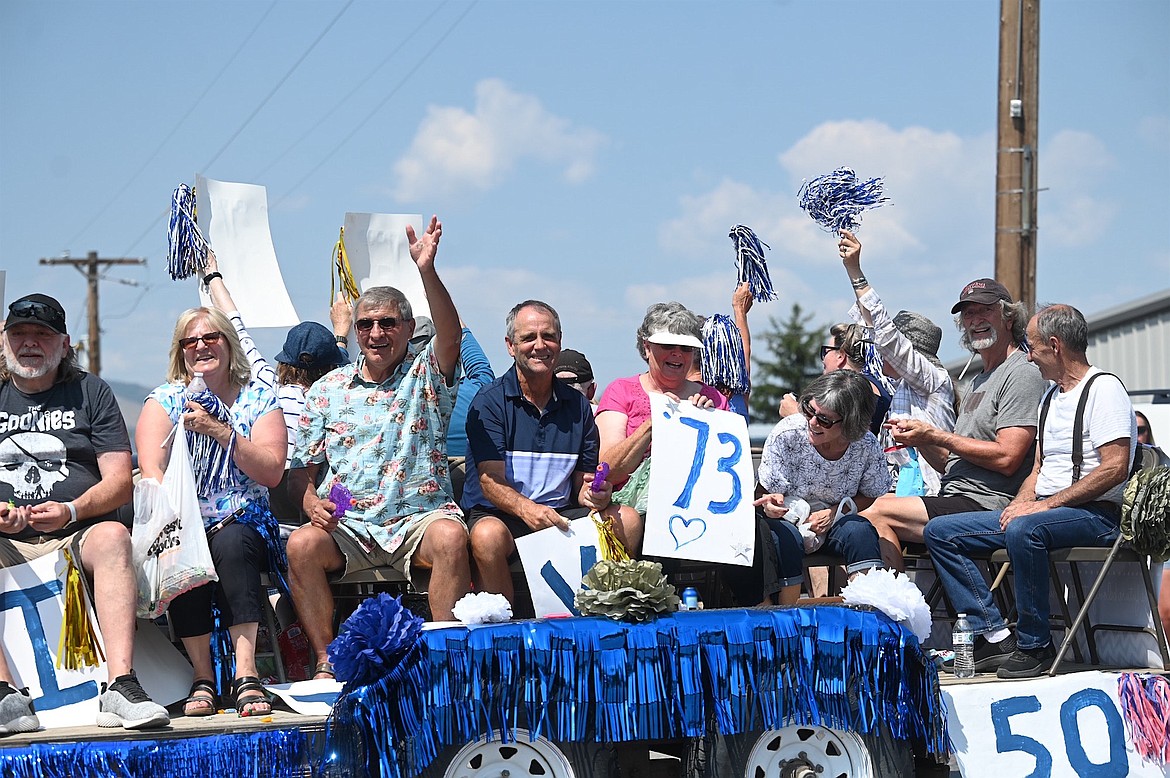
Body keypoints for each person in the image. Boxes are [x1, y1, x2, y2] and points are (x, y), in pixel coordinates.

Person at [286, 216, 470, 679]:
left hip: (417, 517)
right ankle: (329, 662)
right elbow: (301, 469)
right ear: (354, 332)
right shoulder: (326, 389)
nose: (375, 333)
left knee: (451, 537)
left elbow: (451, 336)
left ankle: (442, 660)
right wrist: (309, 499)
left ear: (408, 329)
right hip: (350, 526)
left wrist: (426, 271)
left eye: (388, 323)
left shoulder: (426, 373)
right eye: (365, 324)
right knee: (302, 545)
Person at [925, 304, 1137, 678]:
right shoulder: (1049, 398)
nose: (1028, 354)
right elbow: (1038, 468)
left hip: (1098, 515)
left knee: (1026, 529)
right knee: (942, 532)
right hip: (1051, 510)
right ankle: (992, 632)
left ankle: (1036, 645)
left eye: (1033, 346)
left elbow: (1115, 468)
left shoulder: (1104, 389)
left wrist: (1042, 507)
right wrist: (1023, 501)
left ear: (1055, 346)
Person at [0, 294, 169, 729]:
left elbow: (117, 481)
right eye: (19, 334)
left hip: (76, 535)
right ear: (4, 341)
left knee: (114, 537)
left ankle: (121, 687)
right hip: (6, 541)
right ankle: (5, 698)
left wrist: (71, 510)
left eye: (42, 335)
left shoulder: (90, 391)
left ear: (64, 343)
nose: (29, 344)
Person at [137, 307, 287, 717]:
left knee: (234, 543)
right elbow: (151, 469)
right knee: (184, 548)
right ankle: (202, 677)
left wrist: (220, 431)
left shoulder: (258, 398)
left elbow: (272, 471)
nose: (201, 346)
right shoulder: (165, 399)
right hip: (182, 518)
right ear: (181, 351)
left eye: (211, 337)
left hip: (242, 515)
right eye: (191, 341)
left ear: (228, 342)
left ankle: (246, 673)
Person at [462, 301, 642, 608]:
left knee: (628, 519)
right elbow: (490, 482)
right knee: (487, 536)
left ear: (559, 342)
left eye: (549, 336)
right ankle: (502, 622)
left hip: (560, 513)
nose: (540, 345)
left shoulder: (578, 405)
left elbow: (581, 481)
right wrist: (529, 511)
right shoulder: (489, 401)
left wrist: (593, 493)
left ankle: (612, 610)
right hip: (503, 515)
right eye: (529, 337)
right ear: (510, 346)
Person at [858, 278, 1046, 570]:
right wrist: (922, 441)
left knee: (876, 512)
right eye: (968, 314)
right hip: (957, 495)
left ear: (1008, 317)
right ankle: (895, 605)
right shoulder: (978, 380)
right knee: (860, 515)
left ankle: (894, 607)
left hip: (988, 504)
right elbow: (952, 463)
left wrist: (936, 435)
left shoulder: (1021, 372)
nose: (975, 320)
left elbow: (1008, 458)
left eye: (985, 310)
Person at [200, 250, 350, 522]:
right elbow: (338, 370)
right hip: (322, 511)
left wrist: (213, 275)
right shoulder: (340, 394)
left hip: (276, 508)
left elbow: (236, 326)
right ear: (333, 366)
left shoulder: (268, 387)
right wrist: (341, 332)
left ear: (284, 361)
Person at [751, 370, 890, 605]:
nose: (812, 422)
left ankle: (866, 608)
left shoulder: (865, 445)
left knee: (860, 530)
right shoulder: (788, 433)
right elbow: (764, 495)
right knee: (787, 538)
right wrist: (772, 506)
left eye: (824, 419)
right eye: (809, 410)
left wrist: (835, 512)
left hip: (834, 520)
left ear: (850, 424)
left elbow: (870, 492)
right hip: (788, 519)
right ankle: (787, 615)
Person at [837, 230, 957, 495]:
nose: (879, 353)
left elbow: (886, 336)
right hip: (899, 489)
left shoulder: (932, 380)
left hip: (929, 490)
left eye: (889, 350)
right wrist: (850, 269)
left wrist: (857, 270)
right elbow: (871, 326)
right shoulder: (898, 383)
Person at [596, 302, 730, 513]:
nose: (677, 354)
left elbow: (726, 470)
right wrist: (652, 425)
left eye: (686, 348)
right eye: (667, 346)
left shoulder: (715, 399)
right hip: (633, 511)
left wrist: (711, 424)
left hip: (698, 509)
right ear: (647, 347)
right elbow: (607, 472)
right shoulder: (620, 391)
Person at [780, 322, 891, 435]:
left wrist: (795, 415)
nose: (823, 359)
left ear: (841, 355)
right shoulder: (877, 387)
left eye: (826, 351)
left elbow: (847, 442)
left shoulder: (849, 391)